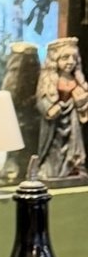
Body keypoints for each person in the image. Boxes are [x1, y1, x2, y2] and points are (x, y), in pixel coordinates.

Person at [36, 36, 88, 180]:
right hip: (55, 124)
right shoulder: (49, 81)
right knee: (55, 147)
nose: (70, 62)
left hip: (72, 122)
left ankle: (72, 168)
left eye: (74, 58)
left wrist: (81, 99)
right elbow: (42, 101)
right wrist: (52, 108)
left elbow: (83, 103)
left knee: (73, 145)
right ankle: (53, 170)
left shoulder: (76, 80)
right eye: (65, 58)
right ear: (55, 60)